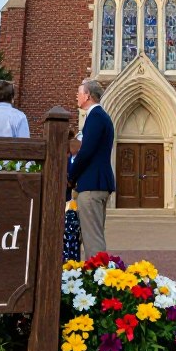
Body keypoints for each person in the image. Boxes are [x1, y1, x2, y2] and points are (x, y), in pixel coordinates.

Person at [68, 79, 115, 260]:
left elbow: (86, 152)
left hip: (91, 185)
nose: (77, 96)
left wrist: (71, 177)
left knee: (92, 239)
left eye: (79, 93)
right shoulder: (100, 116)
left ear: (87, 95)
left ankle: (97, 282)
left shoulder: (95, 116)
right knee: (92, 234)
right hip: (97, 183)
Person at [63, 135, 82, 263]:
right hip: (66, 198)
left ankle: (72, 261)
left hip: (72, 199)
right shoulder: (66, 159)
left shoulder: (74, 159)